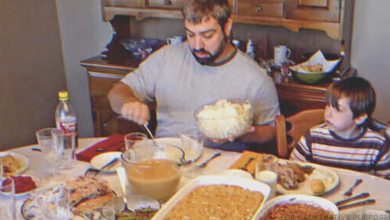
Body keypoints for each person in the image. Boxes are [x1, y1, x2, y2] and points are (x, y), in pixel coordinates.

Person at [108, 0, 279, 151]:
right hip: (167, 158)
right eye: (190, 34)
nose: (197, 45)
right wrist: (128, 103)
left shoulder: (255, 78)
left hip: (221, 167)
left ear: (227, 27)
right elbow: (117, 92)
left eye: (207, 35)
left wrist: (243, 133)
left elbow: (271, 130)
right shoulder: (166, 58)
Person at [290, 77, 389, 177]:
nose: (328, 114)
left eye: (338, 109)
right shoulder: (312, 138)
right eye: (328, 105)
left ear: (359, 118)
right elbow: (293, 169)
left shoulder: (377, 145)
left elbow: (385, 184)